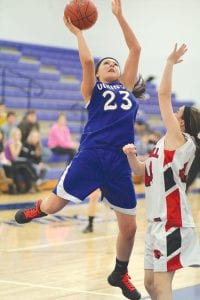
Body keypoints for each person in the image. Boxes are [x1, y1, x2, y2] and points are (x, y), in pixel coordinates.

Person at [15, 1, 144, 299]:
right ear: (98, 75)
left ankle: (120, 272)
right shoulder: (93, 90)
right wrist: (78, 33)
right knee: (55, 206)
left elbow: (135, 49)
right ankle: (38, 208)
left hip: (120, 161)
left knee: (130, 228)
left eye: (115, 63)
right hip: (92, 155)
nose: (112, 64)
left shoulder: (125, 88)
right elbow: (87, 62)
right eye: (107, 64)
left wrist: (119, 16)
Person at [123, 44, 200, 300]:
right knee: (149, 284)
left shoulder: (181, 139)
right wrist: (132, 156)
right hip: (155, 224)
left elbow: (163, 95)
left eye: (177, 113)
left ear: (181, 121)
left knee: (162, 287)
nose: (172, 112)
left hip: (172, 223)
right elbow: (140, 171)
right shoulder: (162, 145)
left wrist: (169, 62)